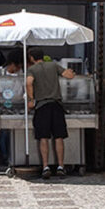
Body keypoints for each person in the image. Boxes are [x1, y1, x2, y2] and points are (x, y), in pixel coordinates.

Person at [25, 48, 75, 178]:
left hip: (42, 106)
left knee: (43, 137)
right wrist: (71, 71)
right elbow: (69, 75)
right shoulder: (53, 65)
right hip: (56, 105)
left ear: (31, 58)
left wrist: (31, 100)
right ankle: (60, 166)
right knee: (59, 137)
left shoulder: (32, 69)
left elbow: (28, 83)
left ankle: (45, 167)